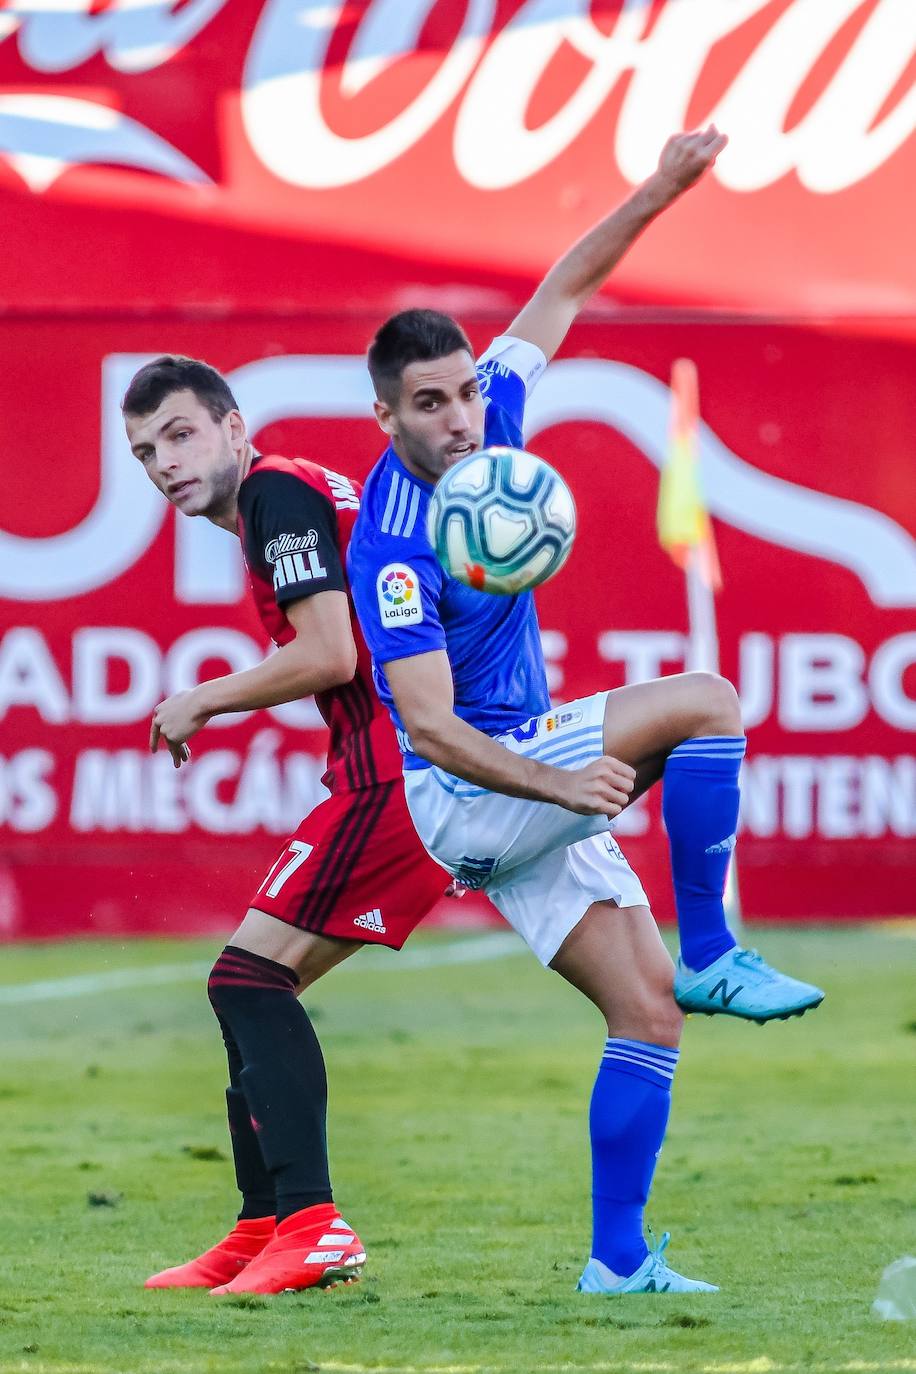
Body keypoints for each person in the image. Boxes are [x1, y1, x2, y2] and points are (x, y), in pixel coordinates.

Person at [347, 127, 824, 1295]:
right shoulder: (392, 544)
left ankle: (616, 1265)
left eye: (466, 391)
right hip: (470, 790)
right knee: (705, 701)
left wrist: (661, 186)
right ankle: (715, 949)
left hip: (518, 795)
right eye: (429, 404)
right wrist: (562, 785)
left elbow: (564, 286)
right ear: (387, 418)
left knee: (646, 1015)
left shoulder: (496, 426)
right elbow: (429, 729)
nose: (460, 418)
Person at [122, 357, 449, 1295]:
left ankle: (309, 1222)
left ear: (233, 428)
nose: (164, 463)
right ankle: (264, 1224)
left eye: (180, 435)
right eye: (145, 452)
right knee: (250, 984)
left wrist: (202, 698)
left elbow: (329, 653)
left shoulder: (275, 492)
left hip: (397, 770)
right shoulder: (290, 494)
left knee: (246, 980)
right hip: (398, 763)